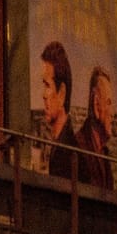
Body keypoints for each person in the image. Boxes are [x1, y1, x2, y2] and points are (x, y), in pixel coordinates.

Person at [39, 41, 78, 180]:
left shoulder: (67, 152)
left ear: (62, 93)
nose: (43, 95)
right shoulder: (63, 144)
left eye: (47, 85)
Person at [75, 66, 114, 189]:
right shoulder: (78, 146)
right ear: (96, 105)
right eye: (108, 103)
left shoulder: (104, 153)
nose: (113, 113)